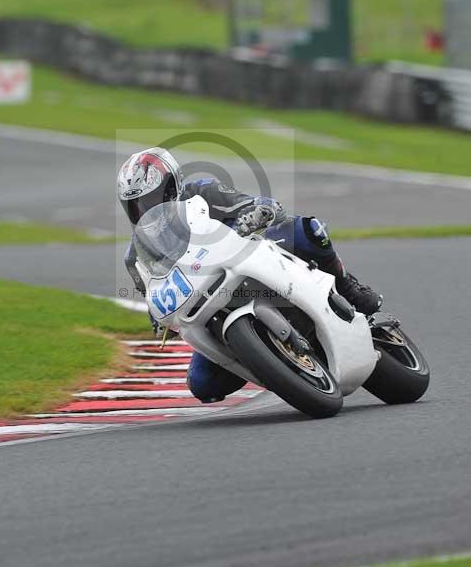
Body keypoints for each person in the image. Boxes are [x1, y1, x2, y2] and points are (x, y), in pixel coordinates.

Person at [118, 147, 382, 404]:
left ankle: (348, 287)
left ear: (172, 186)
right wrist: (158, 318)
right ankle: (270, 363)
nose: (145, 210)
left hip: (248, 257)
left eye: (151, 200)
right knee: (202, 384)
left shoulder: (202, 192)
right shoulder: (137, 255)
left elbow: (255, 204)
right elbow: (151, 291)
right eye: (136, 205)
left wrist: (256, 211)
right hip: (209, 301)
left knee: (306, 230)